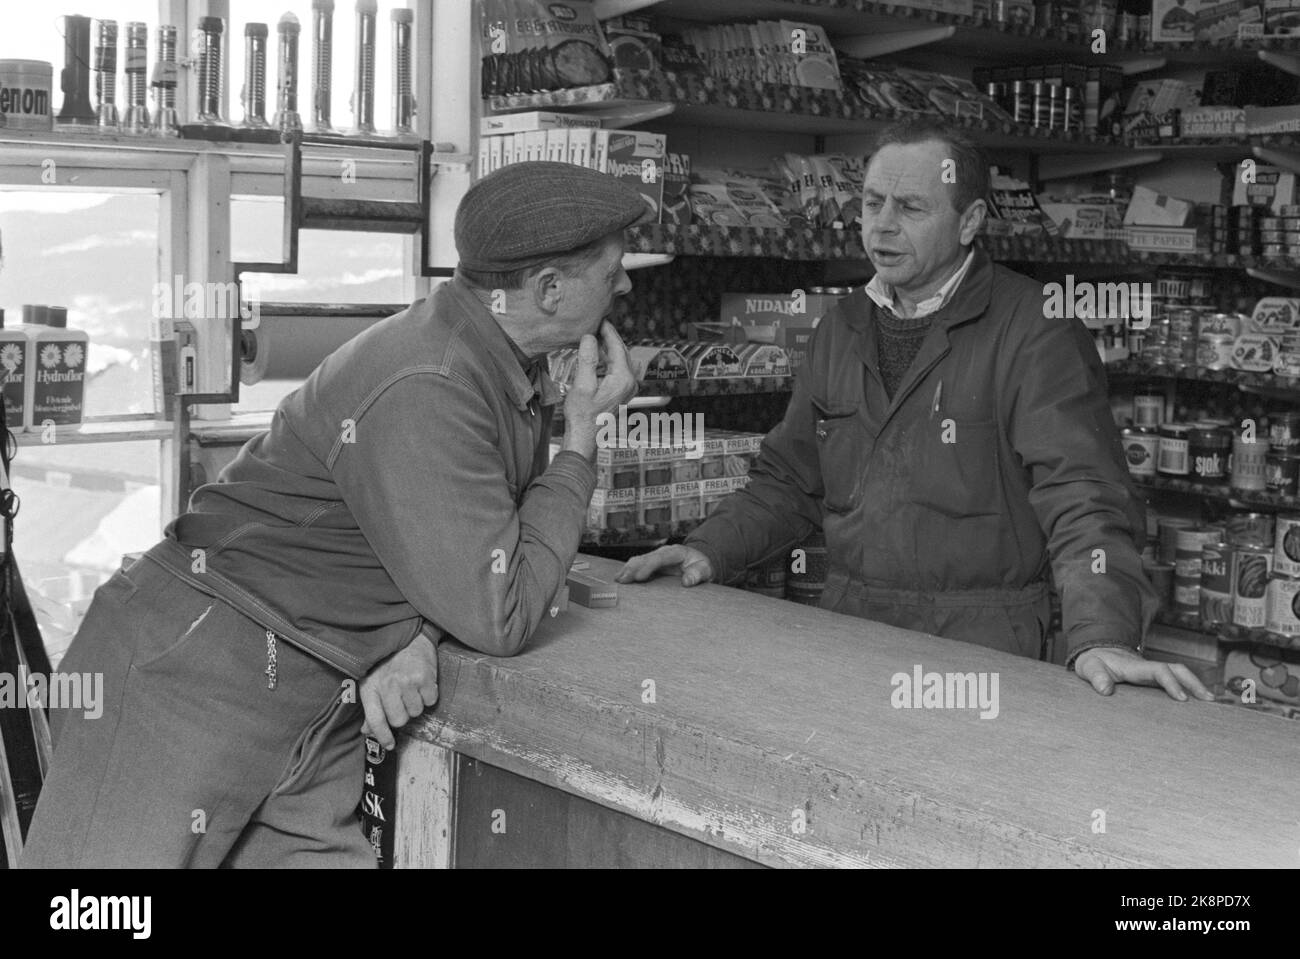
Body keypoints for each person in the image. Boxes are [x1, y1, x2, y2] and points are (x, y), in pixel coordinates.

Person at [21, 161, 642, 868]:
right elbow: (503, 608)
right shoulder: (433, 380)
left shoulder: (500, 364)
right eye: (614, 269)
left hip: (312, 694)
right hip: (193, 676)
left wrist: (420, 632)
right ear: (550, 289)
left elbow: (469, 552)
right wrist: (583, 436)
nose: (625, 284)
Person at [619, 118, 1213, 704]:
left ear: (970, 221)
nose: (883, 225)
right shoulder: (843, 325)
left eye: (911, 208)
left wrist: (1104, 635)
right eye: (873, 202)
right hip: (850, 628)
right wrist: (709, 549)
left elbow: (1084, 495)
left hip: (981, 648)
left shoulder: (1036, 330)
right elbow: (790, 480)